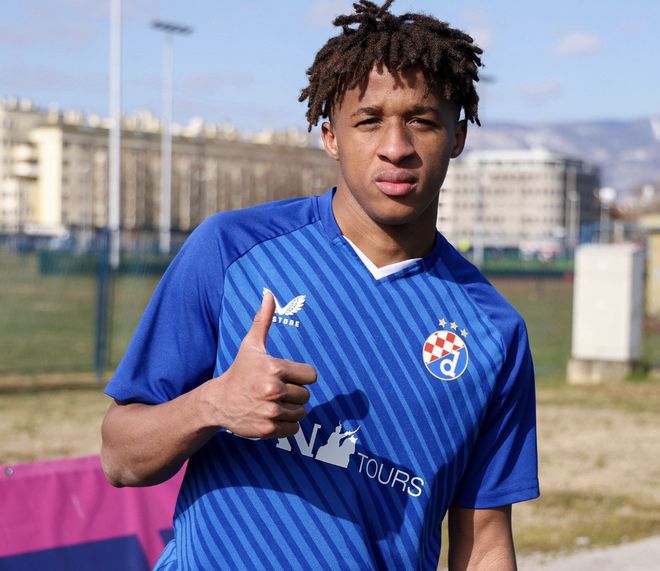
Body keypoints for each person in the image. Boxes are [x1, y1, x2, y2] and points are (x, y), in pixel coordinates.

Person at [101, 1, 539, 569]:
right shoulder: (231, 250)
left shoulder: (494, 331)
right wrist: (213, 404)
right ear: (331, 136)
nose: (396, 146)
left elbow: (485, 543)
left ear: (457, 137)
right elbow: (120, 458)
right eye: (369, 120)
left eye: (422, 121)